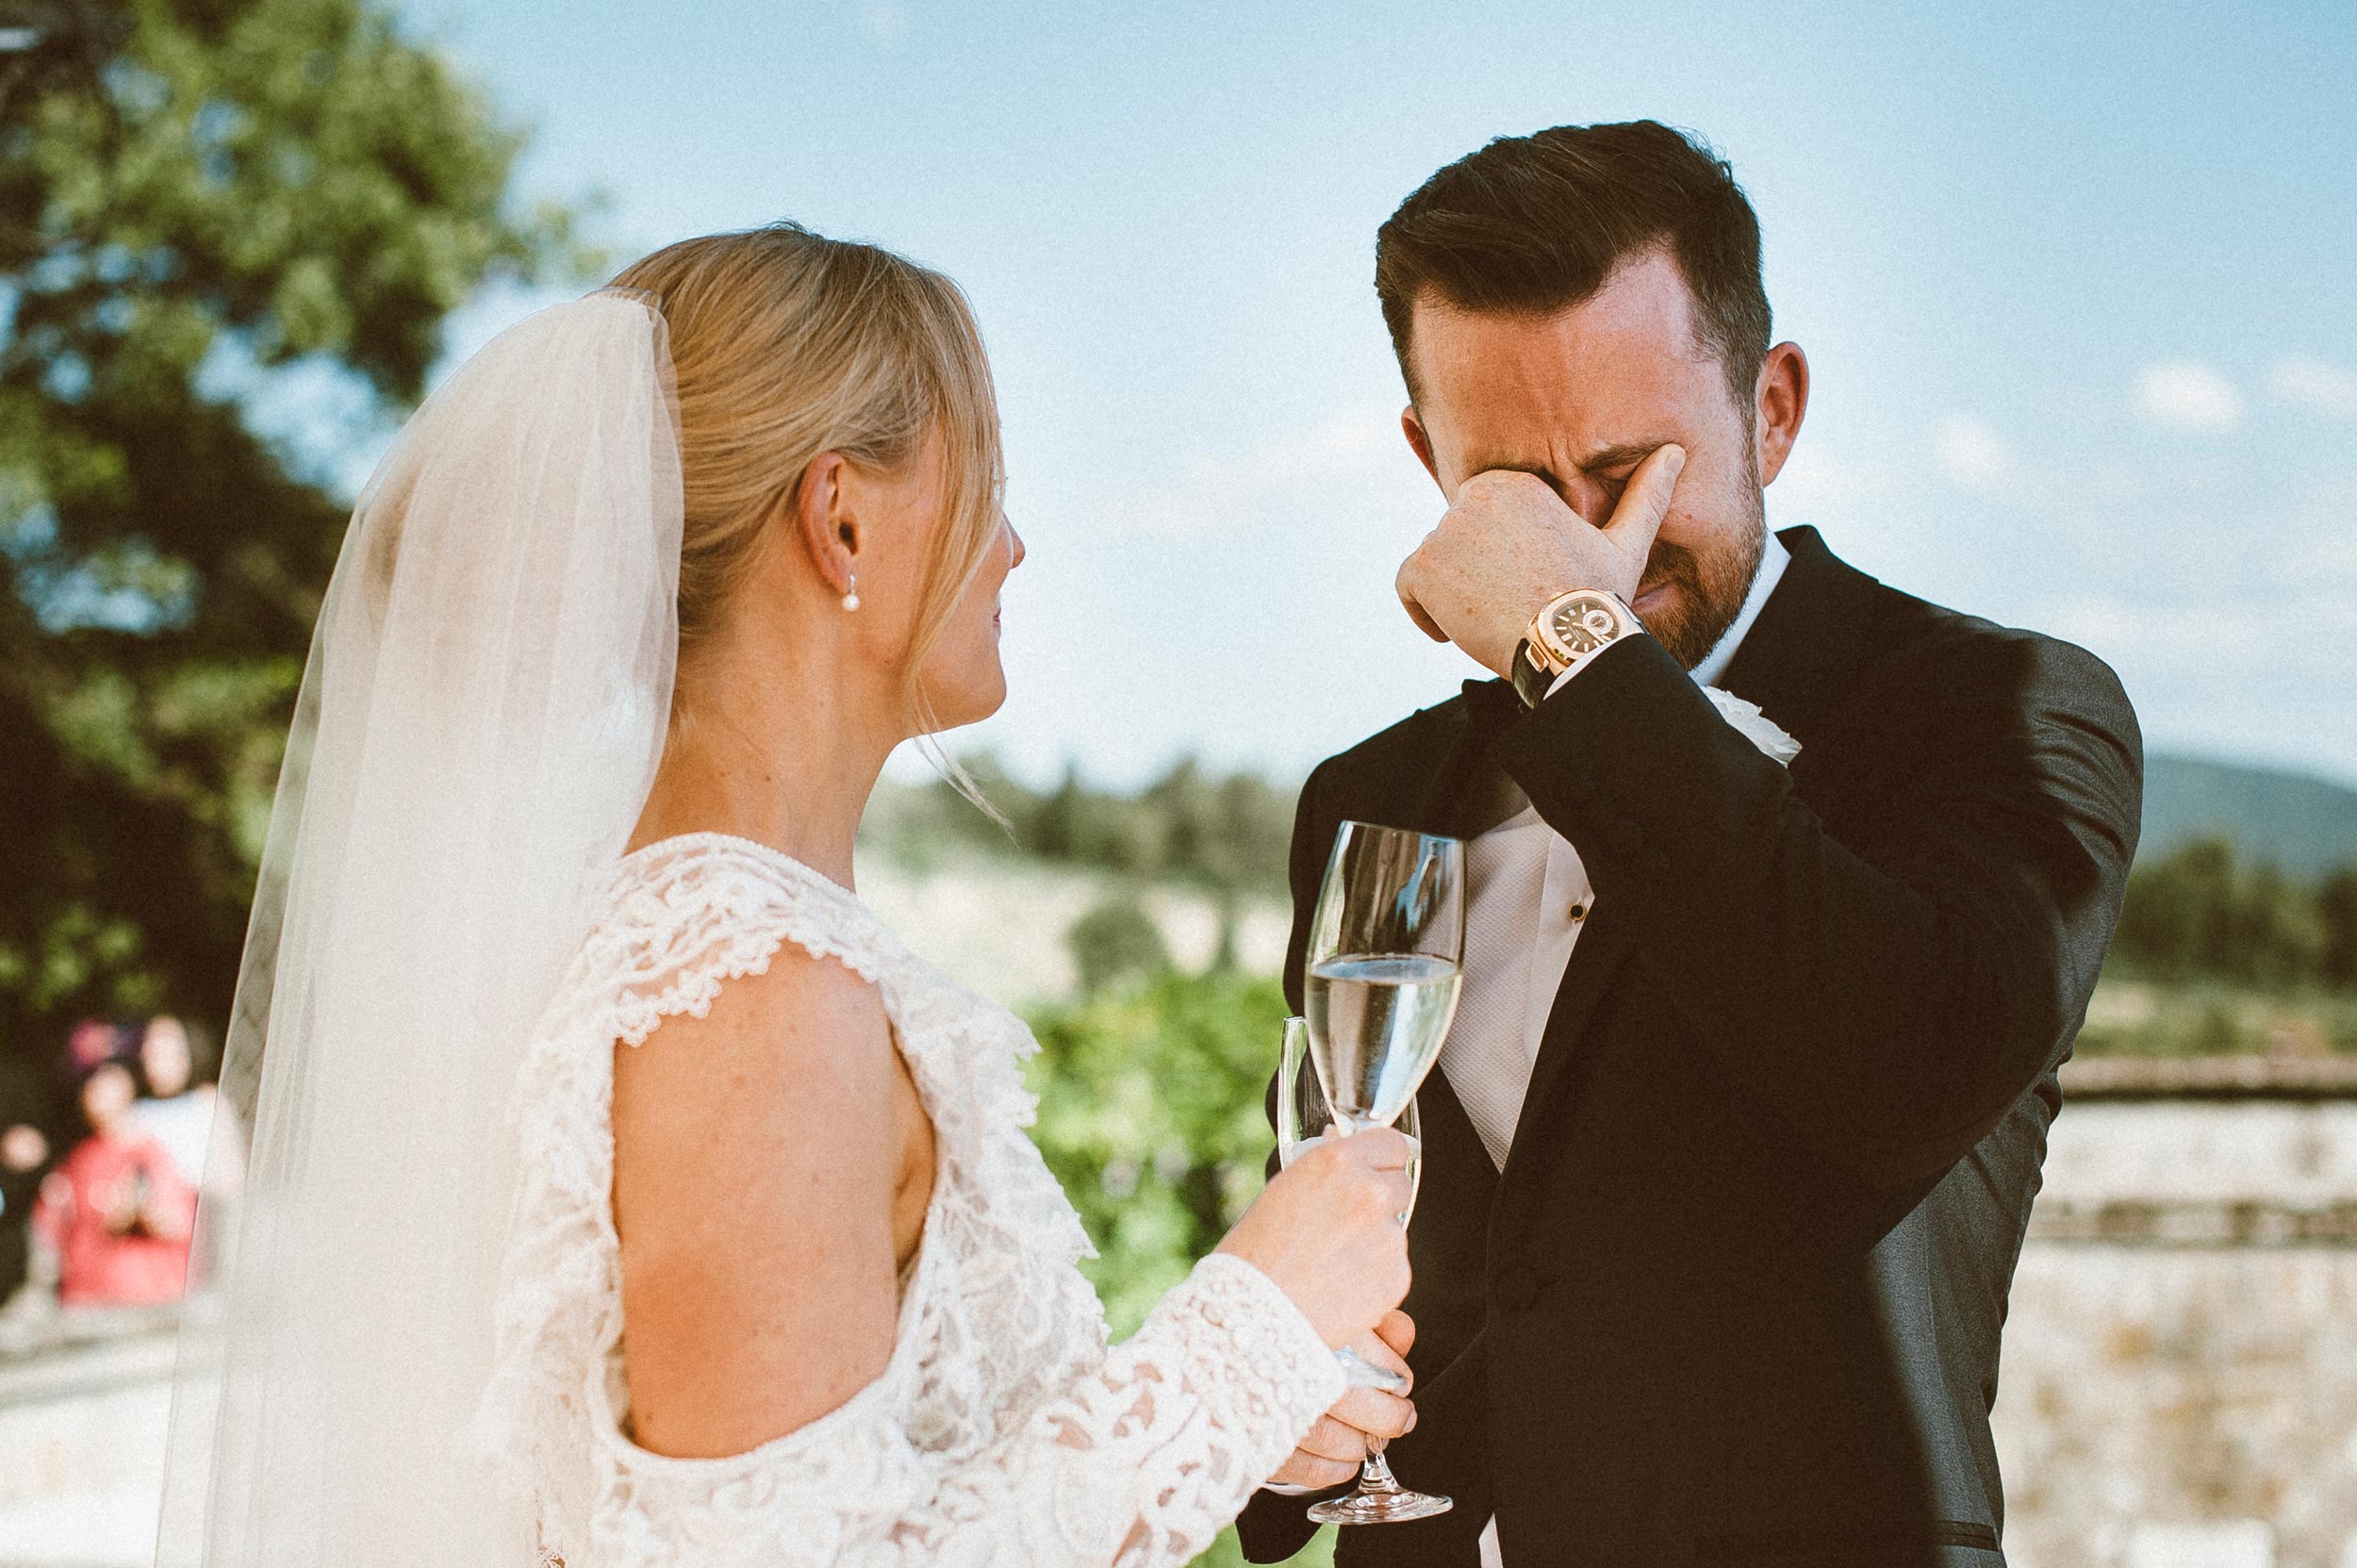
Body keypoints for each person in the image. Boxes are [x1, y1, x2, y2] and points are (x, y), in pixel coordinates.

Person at [156, 225, 1417, 1568]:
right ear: (842, 518)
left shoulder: (709, 948)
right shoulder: (746, 986)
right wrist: (1243, 1334)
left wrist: (1232, 1420)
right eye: (987, 487)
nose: (1016, 547)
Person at [1236, 122, 2141, 1567]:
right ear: (1428, 460)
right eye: (1522, 494)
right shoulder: (1375, 793)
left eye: (1630, 468)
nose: (1593, 544)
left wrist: (1570, 653)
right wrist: (1280, 1417)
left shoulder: (2010, 709)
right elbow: (1365, 1228)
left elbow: (1903, 1068)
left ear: (1771, 408)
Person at [29, 1057, 196, 1308]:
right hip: (85, 1297)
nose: (96, 1094)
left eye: (107, 1086)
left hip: (141, 1299)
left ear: (128, 1089)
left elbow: (177, 1222)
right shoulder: (78, 1159)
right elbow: (50, 1224)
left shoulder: (151, 1154)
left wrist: (138, 1212)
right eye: (91, 1087)